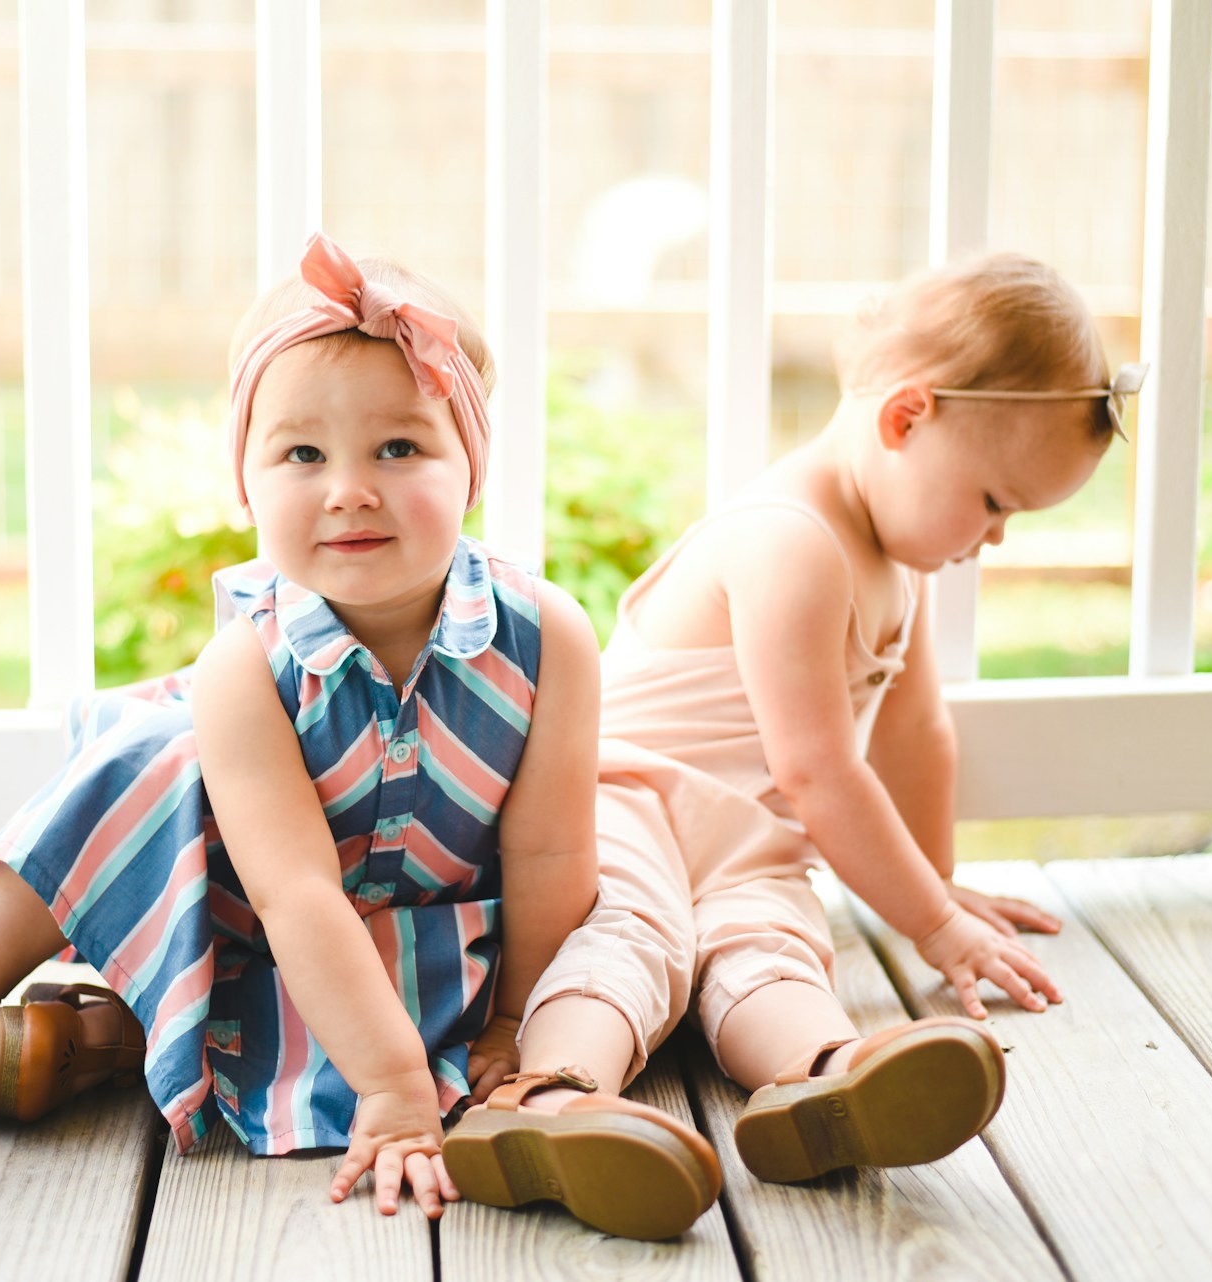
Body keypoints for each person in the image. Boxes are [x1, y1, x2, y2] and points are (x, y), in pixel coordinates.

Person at [0, 233, 616, 1221]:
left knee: (425, 1032)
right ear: (246, 484)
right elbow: (294, 893)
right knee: (140, 768)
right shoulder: (248, 666)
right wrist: (390, 1091)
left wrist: (516, 1016)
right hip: (245, 900)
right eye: (303, 453)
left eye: (400, 446)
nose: (349, 488)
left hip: (409, 934)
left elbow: (552, 850)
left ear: (473, 468)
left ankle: (101, 1040)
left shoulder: (547, 638)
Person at [443, 252, 1146, 1239]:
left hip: (746, 839)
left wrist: (937, 882)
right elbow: (820, 769)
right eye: (994, 503)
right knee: (632, 936)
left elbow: (914, 732)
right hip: (625, 803)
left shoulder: (901, 566)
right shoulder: (792, 540)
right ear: (906, 419)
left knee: (771, 947)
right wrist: (936, 929)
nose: (994, 541)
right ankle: (548, 1098)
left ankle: (825, 1079)